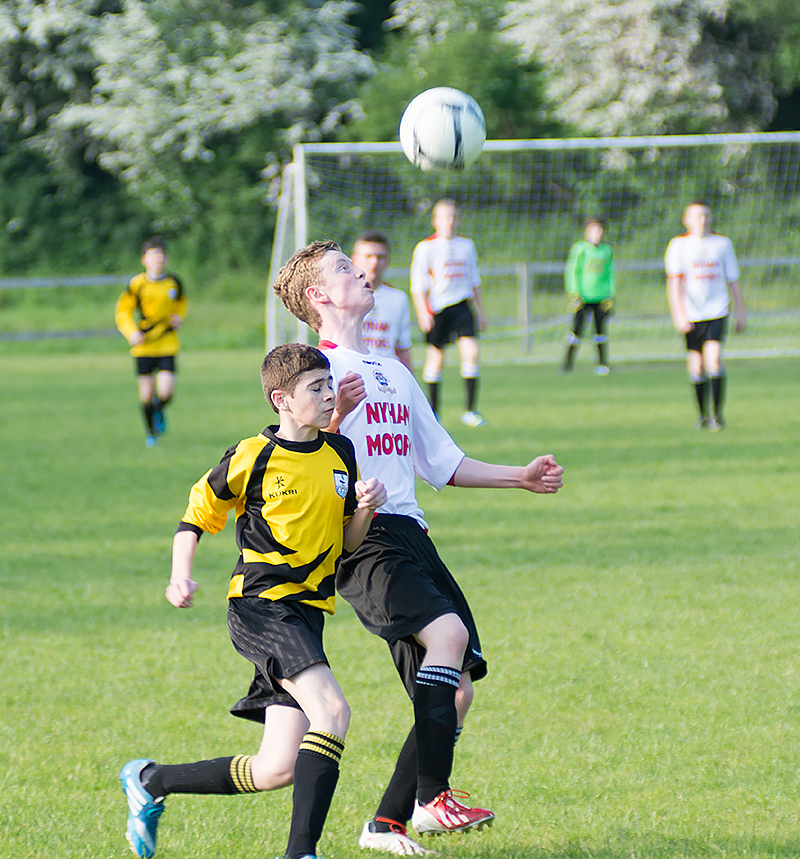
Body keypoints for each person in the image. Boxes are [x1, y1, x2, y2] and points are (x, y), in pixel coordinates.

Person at [273, 240, 564, 855]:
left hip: (413, 535)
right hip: (363, 538)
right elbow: (289, 461)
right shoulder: (314, 372)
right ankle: (435, 796)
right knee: (449, 638)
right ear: (320, 297)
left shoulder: (393, 370)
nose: (363, 272)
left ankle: (386, 823)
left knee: (455, 692)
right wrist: (329, 422)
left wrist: (521, 475)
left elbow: (444, 462)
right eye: (345, 269)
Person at [118, 343, 387, 859]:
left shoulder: (341, 454)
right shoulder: (253, 455)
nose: (329, 396)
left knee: (276, 769)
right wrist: (181, 576)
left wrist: (366, 509)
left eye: (329, 385)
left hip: (309, 613)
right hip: (261, 606)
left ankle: (151, 781)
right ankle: (301, 853)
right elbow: (194, 518)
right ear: (281, 399)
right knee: (332, 711)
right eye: (316, 388)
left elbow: (349, 543)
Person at [665, 201, 746, 431]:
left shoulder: (722, 244)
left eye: (706, 215)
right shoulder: (679, 246)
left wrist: (741, 311)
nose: (703, 219)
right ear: (686, 219)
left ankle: (717, 416)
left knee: (714, 359)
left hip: (717, 310)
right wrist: (678, 315)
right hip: (691, 314)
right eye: (698, 215)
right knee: (696, 366)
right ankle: (702, 415)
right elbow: (674, 284)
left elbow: (733, 280)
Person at [410, 199, 487, 426]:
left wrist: (481, 312)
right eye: (445, 216)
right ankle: (434, 413)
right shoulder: (426, 247)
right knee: (436, 360)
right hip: (438, 309)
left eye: (453, 216)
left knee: (472, 353)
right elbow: (418, 284)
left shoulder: (467, 246)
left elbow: (475, 280)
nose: (450, 221)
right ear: (435, 220)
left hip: (462, 307)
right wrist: (423, 313)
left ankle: (470, 411)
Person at [114, 236, 187, 447]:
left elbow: (182, 303)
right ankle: (150, 433)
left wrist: (179, 317)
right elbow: (123, 312)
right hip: (144, 346)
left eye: (162, 254)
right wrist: (131, 333)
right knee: (146, 394)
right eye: (154, 255)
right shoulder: (137, 284)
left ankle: (159, 409)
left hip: (167, 343)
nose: (159, 259)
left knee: (166, 392)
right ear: (144, 260)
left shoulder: (173, 283)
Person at [353, 231, 414, 371]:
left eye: (380, 257)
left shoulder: (398, 298)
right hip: (354, 374)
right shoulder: (342, 297)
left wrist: (411, 384)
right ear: (354, 259)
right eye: (368, 256)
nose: (374, 262)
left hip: (387, 375)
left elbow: (403, 348)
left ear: (388, 260)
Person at [562, 218, 616, 375]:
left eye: (600, 230)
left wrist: (610, 295)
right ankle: (567, 365)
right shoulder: (580, 249)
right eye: (593, 230)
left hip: (600, 297)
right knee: (576, 330)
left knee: (600, 331)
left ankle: (602, 364)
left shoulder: (606, 251)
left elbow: (610, 274)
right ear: (587, 232)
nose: (597, 234)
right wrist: (574, 293)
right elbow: (573, 271)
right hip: (583, 297)